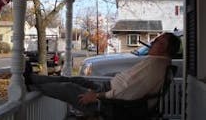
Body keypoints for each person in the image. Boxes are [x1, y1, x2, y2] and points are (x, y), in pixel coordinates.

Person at [24, 32, 181, 116]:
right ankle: (32, 77)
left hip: (111, 105)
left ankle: (30, 85)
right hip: (108, 89)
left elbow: (128, 92)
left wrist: (97, 96)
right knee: (77, 79)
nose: (153, 42)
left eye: (159, 41)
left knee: (68, 87)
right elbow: (128, 85)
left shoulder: (154, 66)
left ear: (165, 49)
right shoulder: (157, 62)